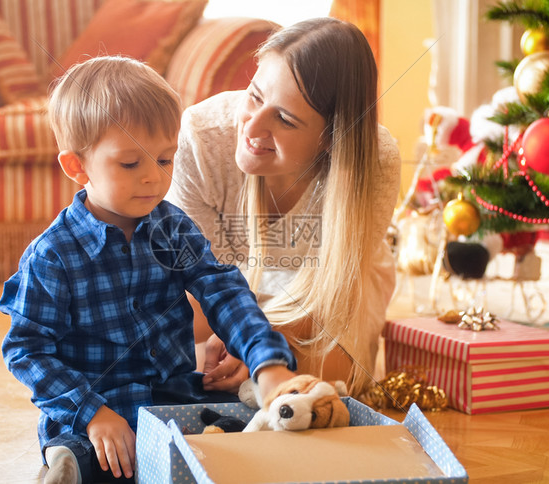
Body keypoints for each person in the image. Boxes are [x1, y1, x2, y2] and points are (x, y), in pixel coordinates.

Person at [0, 56, 297, 484]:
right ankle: (70, 465)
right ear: (76, 167)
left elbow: (223, 290)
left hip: (171, 397)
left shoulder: (173, 227)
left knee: (237, 428)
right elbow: (25, 350)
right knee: (98, 457)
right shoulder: (53, 255)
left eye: (164, 159)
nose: (153, 180)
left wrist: (267, 362)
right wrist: (92, 412)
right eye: (130, 164)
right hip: (96, 407)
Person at [166, 17, 401, 401]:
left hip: (326, 295)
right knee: (184, 364)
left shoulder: (375, 159)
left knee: (329, 379)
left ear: (330, 139)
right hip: (224, 290)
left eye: (286, 119)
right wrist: (247, 341)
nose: (252, 128)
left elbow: (332, 298)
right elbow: (201, 290)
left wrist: (260, 348)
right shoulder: (202, 138)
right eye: (255, 96)